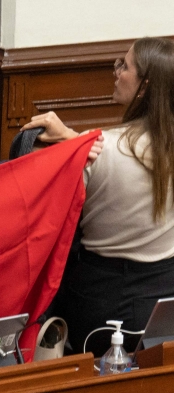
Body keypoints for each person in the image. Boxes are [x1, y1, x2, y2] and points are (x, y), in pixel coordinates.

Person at [22, 37, 174, 356]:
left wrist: (71, 145)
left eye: (125, 66)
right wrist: (75, 140)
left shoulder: (99, 151)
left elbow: (44, 215)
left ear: (144, 87)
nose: (116, 72)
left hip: (98, 298)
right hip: (163, 297)